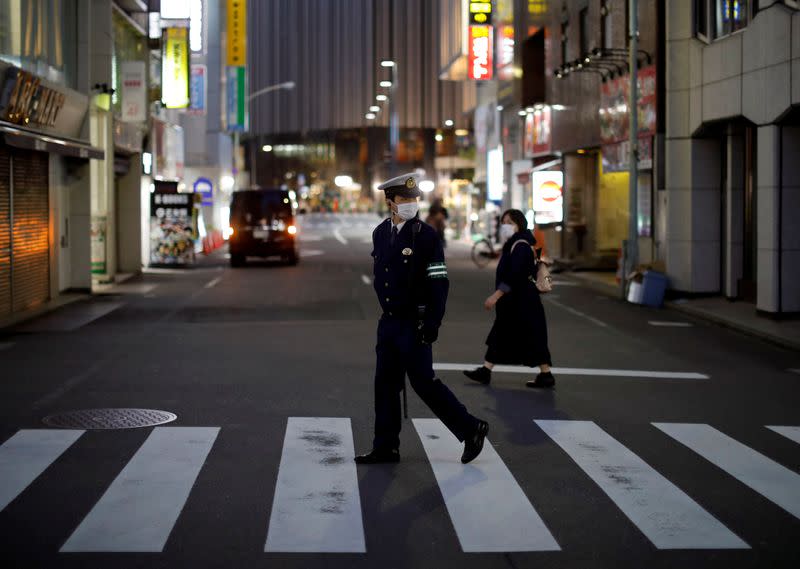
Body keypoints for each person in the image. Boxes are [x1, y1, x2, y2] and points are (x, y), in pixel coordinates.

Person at [355, 173, 489, 465]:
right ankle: (386, 446)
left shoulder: (426, 235)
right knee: (385, 385)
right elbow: (383, 275)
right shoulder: (380, 232)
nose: (411, 204)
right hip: (389, 323)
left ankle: (471, 428)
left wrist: (432, 322)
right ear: (390, 202)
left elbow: (439, 281)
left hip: (413, 323)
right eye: (404, 199)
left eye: (414, 199)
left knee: (424, 383)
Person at [464, 208, 555, 388]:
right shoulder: (519, 242)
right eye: (503, 223)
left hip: (521, 300)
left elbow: (514, 276)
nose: (505, 226)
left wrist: (496, 296)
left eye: (509, 223)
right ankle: (487, 370)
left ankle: (487, 371)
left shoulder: (520, 245)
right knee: (510, 333)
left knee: (521, 334)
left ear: (519, 224)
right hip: (519, 300)